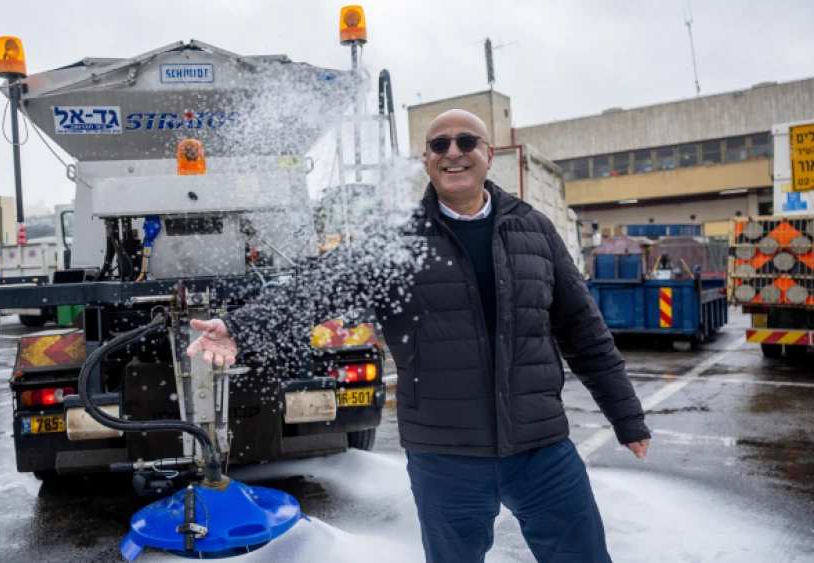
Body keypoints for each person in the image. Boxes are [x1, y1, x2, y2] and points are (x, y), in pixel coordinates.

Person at [187, 109, 651, 563]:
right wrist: (240, 327)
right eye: (439, 144)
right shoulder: (398, 241)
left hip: (541, 448)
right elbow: (320, 285)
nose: (454, 152)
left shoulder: (534, 229)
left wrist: (626, 417)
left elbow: (584, 332)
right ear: (425, 159)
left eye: (467, 142)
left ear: (488, 155)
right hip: (446, 455)